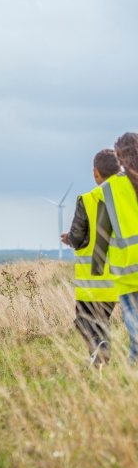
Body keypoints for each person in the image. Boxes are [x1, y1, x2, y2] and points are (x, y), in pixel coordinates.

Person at [62, 148, 121, 366]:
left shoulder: (88, 200)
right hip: (120, 278)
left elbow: (77, 238)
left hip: (93, 279)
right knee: (103, 320)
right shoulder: (129, 199)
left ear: (96, 172)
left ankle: (100, 357)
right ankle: (100, 363)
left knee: (84, 321)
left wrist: (68, 238)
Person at [104, 133, 138, 362]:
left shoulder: (112, 186)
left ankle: (132, 371)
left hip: (127, 270)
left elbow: (102, 230)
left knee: (134, 326)